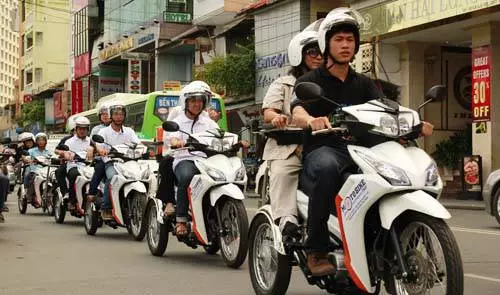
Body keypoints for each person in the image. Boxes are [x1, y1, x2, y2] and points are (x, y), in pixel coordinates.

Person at [291, 8, 433, 276]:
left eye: (350, 40)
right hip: (325, 148)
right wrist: (311, 120)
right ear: (326, 43)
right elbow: (297, 111)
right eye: (339, 39)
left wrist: (414, 124)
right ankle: (316, 250)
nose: (345, 45)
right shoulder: (309, 81)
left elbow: (388, 108)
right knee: (328, 169)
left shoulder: (364, 83)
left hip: (363, 150)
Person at [262, 28, 323, 239]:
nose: (319, 57)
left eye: (322, 52)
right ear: (300, 54)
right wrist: (276, 118)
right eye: (313, 52)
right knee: (283, 172)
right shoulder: (283, 84)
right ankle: (288, 219)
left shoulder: (333, 82)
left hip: (327, 143)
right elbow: (269, 110)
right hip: (290, 146)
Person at [164, 81, 219, 236]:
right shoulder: (177, 122)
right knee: (187, 177)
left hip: (206, 161)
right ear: (186, 102)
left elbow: (219, 136)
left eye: (200, 100)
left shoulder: (208, 122)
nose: (197, 104)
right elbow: (172, 139)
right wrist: (177, 142)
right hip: (184, 159)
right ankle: (181, 219)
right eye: (193, 100)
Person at [95, 102, 140, 220]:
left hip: (129, 162)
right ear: (111, 115)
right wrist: (101, 150)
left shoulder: (129, 131)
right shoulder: (104, 132)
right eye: (115, 114)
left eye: (121, 114)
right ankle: (106, 207)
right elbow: (99, 145)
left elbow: (137, 144)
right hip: (111, 162)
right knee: (112, 177)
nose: (119, 116)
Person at [54, 117, 92, 209]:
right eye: (80, 128)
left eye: (84, 129)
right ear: (76, 129)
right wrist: (64, 153)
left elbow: (99, 151)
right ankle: (72, 199)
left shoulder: (91, 141)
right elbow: (58, 150)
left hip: (89, 166)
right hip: (73, 164)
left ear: (88, 129)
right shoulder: (69, 141)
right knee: (73, 174)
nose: (82, 131)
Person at [23, 133, 52, 207]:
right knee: (34, 177)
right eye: (39, 140)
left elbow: (53, 159)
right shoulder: (31, 151)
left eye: (43, 140)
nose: (41, 142)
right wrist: (28, 160)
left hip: (46, 171)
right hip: (35, 170)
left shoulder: (48, 151)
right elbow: (27, 158)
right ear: (36, 141)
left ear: (46, 141)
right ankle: (30, 195)